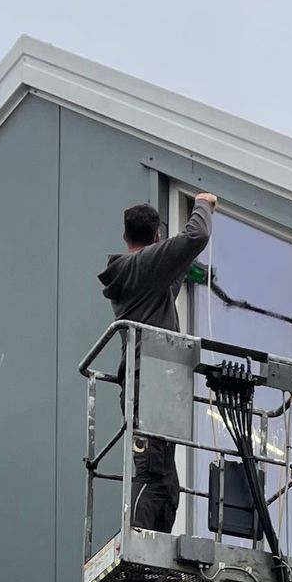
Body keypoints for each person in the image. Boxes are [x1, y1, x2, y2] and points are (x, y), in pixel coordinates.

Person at [98, 191, 217, 532]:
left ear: (125, 236)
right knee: (152, 473)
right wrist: (203, 204)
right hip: (149, 382)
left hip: (153, 383)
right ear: (156, 238)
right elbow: (197, 235)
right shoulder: (143, 265)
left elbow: (169, 278)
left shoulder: (141, 277)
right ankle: (138, 542)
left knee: (164, 479)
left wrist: (178, 261)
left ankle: (155, 541)